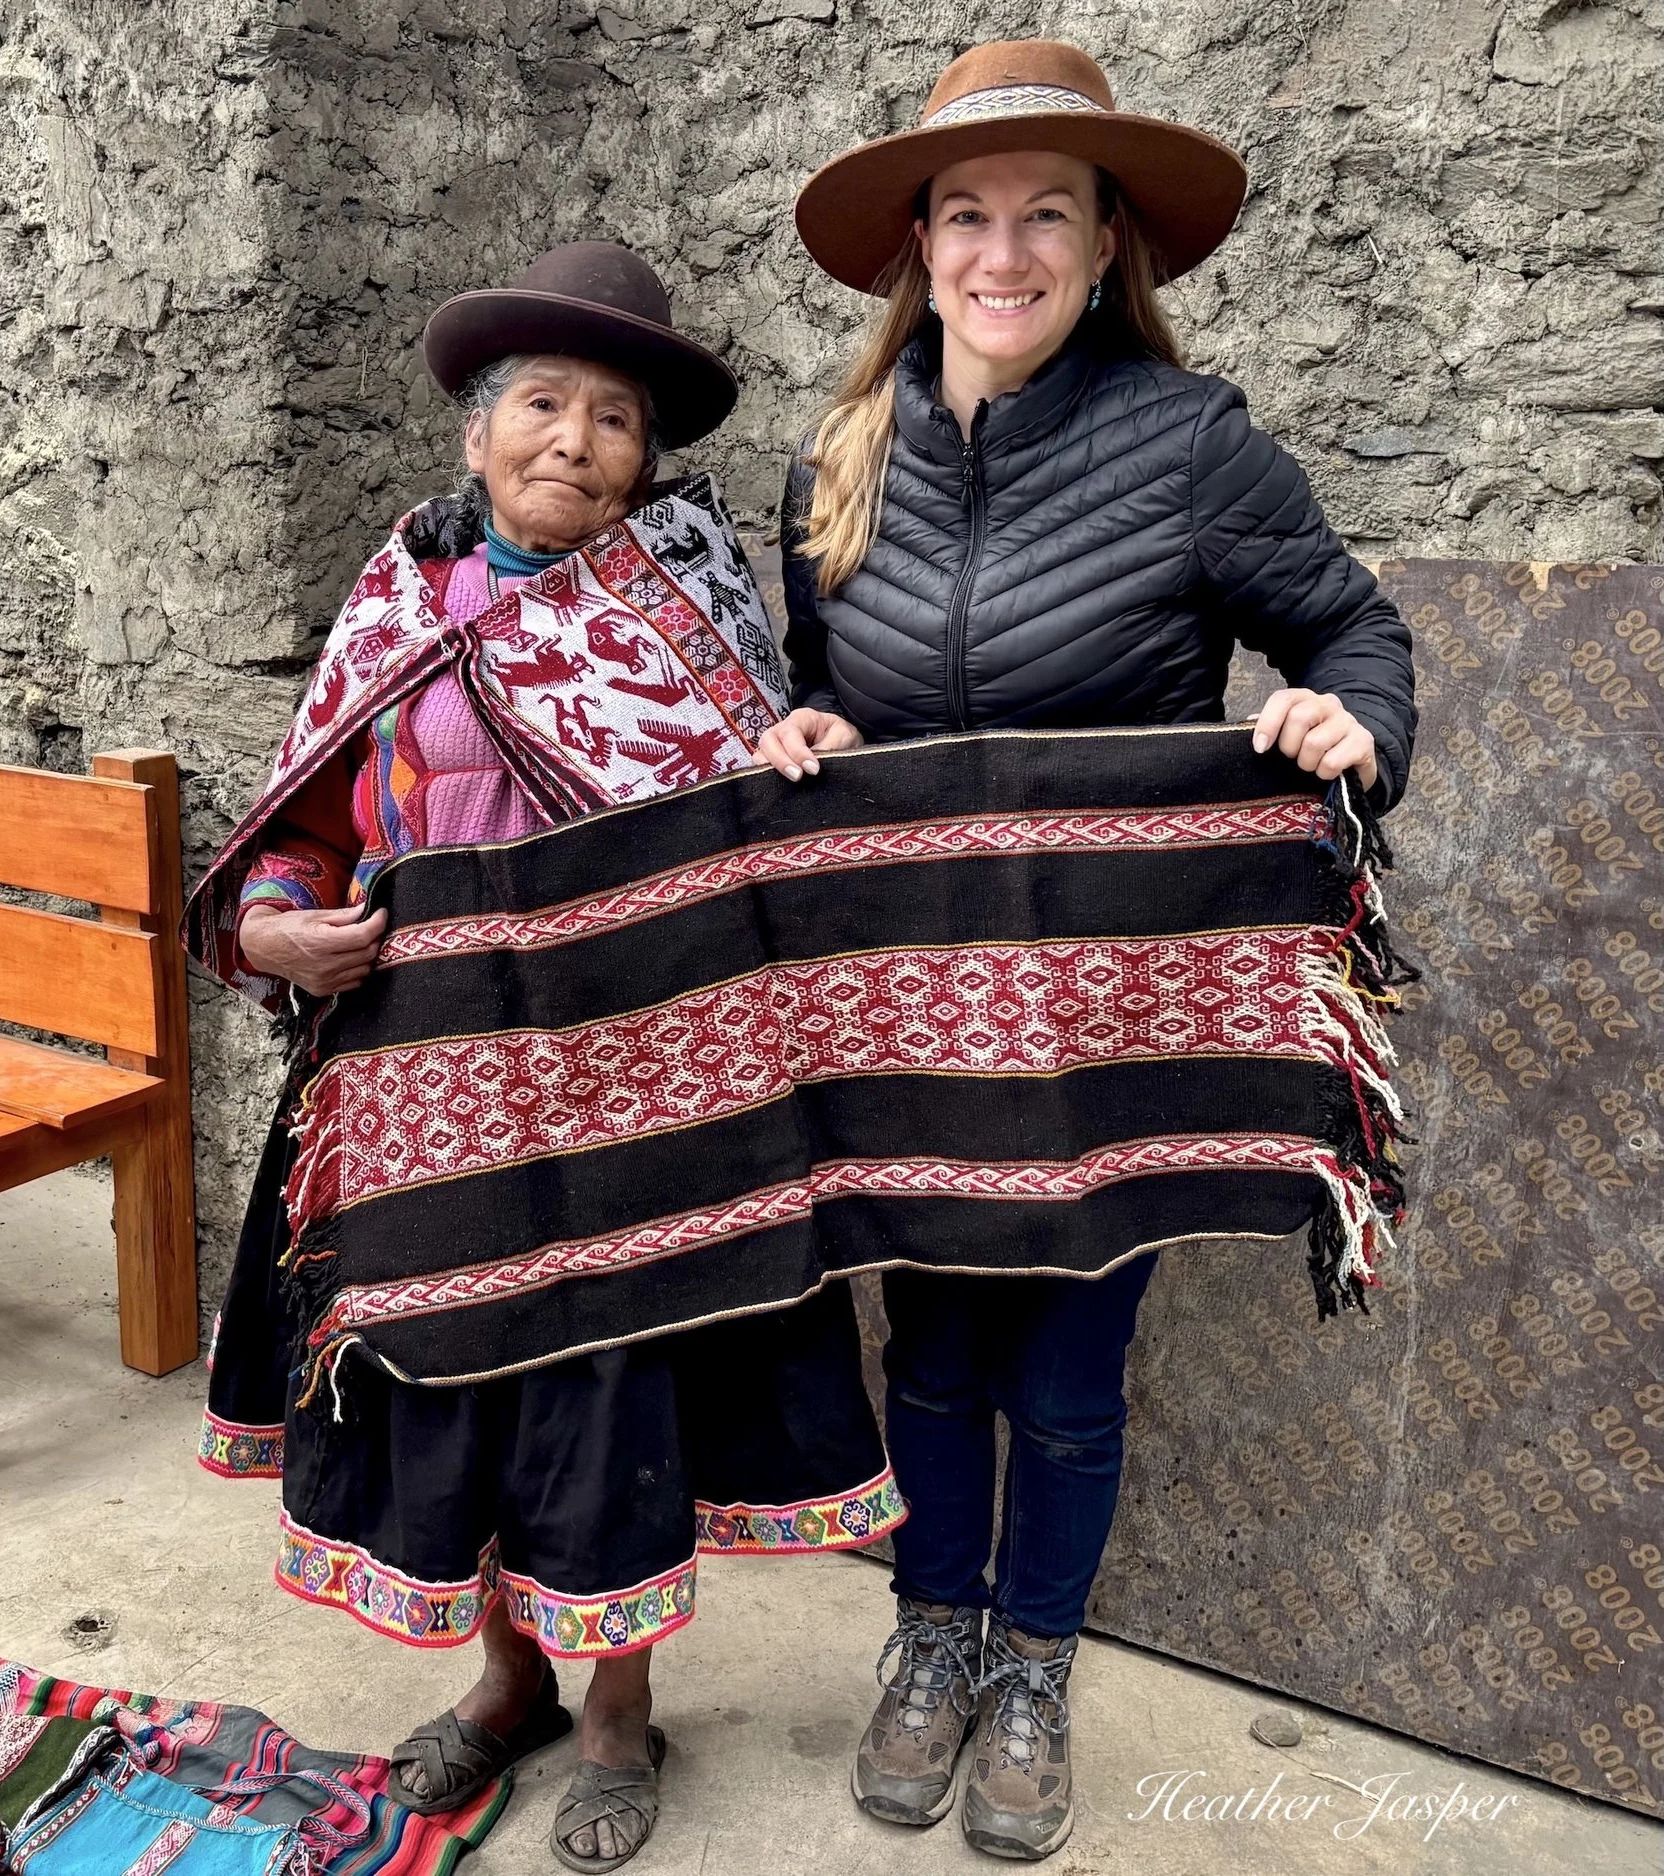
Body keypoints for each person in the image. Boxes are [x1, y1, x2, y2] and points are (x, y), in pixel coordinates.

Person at [763, 41, 1417, 1862]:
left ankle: (1034, 1663)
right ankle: (931, 1635)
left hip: (1111, 1016)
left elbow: (1353, 628)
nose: (1003, 249)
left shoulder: (1189, 446)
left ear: (1107, 237)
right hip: (908, 1001)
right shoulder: (844, 458)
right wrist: (805, 727)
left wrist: (1344, 722)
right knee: (936, 1353)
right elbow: (822, 683)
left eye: (1047, 212)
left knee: (1062, 1367)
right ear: (918, 246)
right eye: (967, 214)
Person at [184, 243, 901, 1874]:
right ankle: (505, 1683)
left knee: (606, 1396)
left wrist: (795, 757)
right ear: (475, 429)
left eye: (616, 418)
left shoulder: (689, 615)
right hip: (421, 1080)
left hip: (624, 1088)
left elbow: (761, 838)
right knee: (452, 1387)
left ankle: (619, 1712)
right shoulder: (396, 605)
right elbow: (297, 834)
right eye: (543, 403)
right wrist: (281, 928)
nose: (575, 440)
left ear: (649, 457)